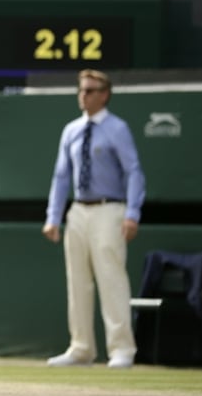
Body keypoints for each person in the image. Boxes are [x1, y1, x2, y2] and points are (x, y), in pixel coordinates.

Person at [43, 69, 145, 370]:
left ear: (105, 94)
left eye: (90, 90)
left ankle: (122, 348)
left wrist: (132, 213)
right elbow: (61, 177)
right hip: (78, 212)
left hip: (109, 209)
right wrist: (53, 216)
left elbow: (134, 172)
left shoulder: (118, 129)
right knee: (77, 282)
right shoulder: (71, 130)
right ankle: (81, 348)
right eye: (81, 90)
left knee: (111, 278)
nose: (83, 95)